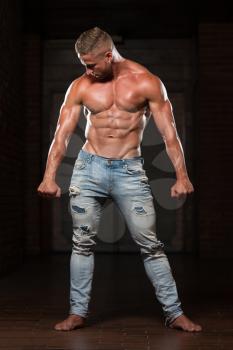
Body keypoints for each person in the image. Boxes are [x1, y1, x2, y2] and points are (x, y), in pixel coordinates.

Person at [37, 27, 202, 332]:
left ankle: (175, 312)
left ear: (109, 56)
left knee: (151, 245)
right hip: (88, 169)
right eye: (82, 64)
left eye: (92, 64)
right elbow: (61, 134)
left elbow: (170, 133)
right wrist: (49, 176)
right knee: (81, 243)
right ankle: (77, 312)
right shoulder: (80, 86)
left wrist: (182, 176)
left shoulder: (146, 82)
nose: (87, 70)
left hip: (129, 171)